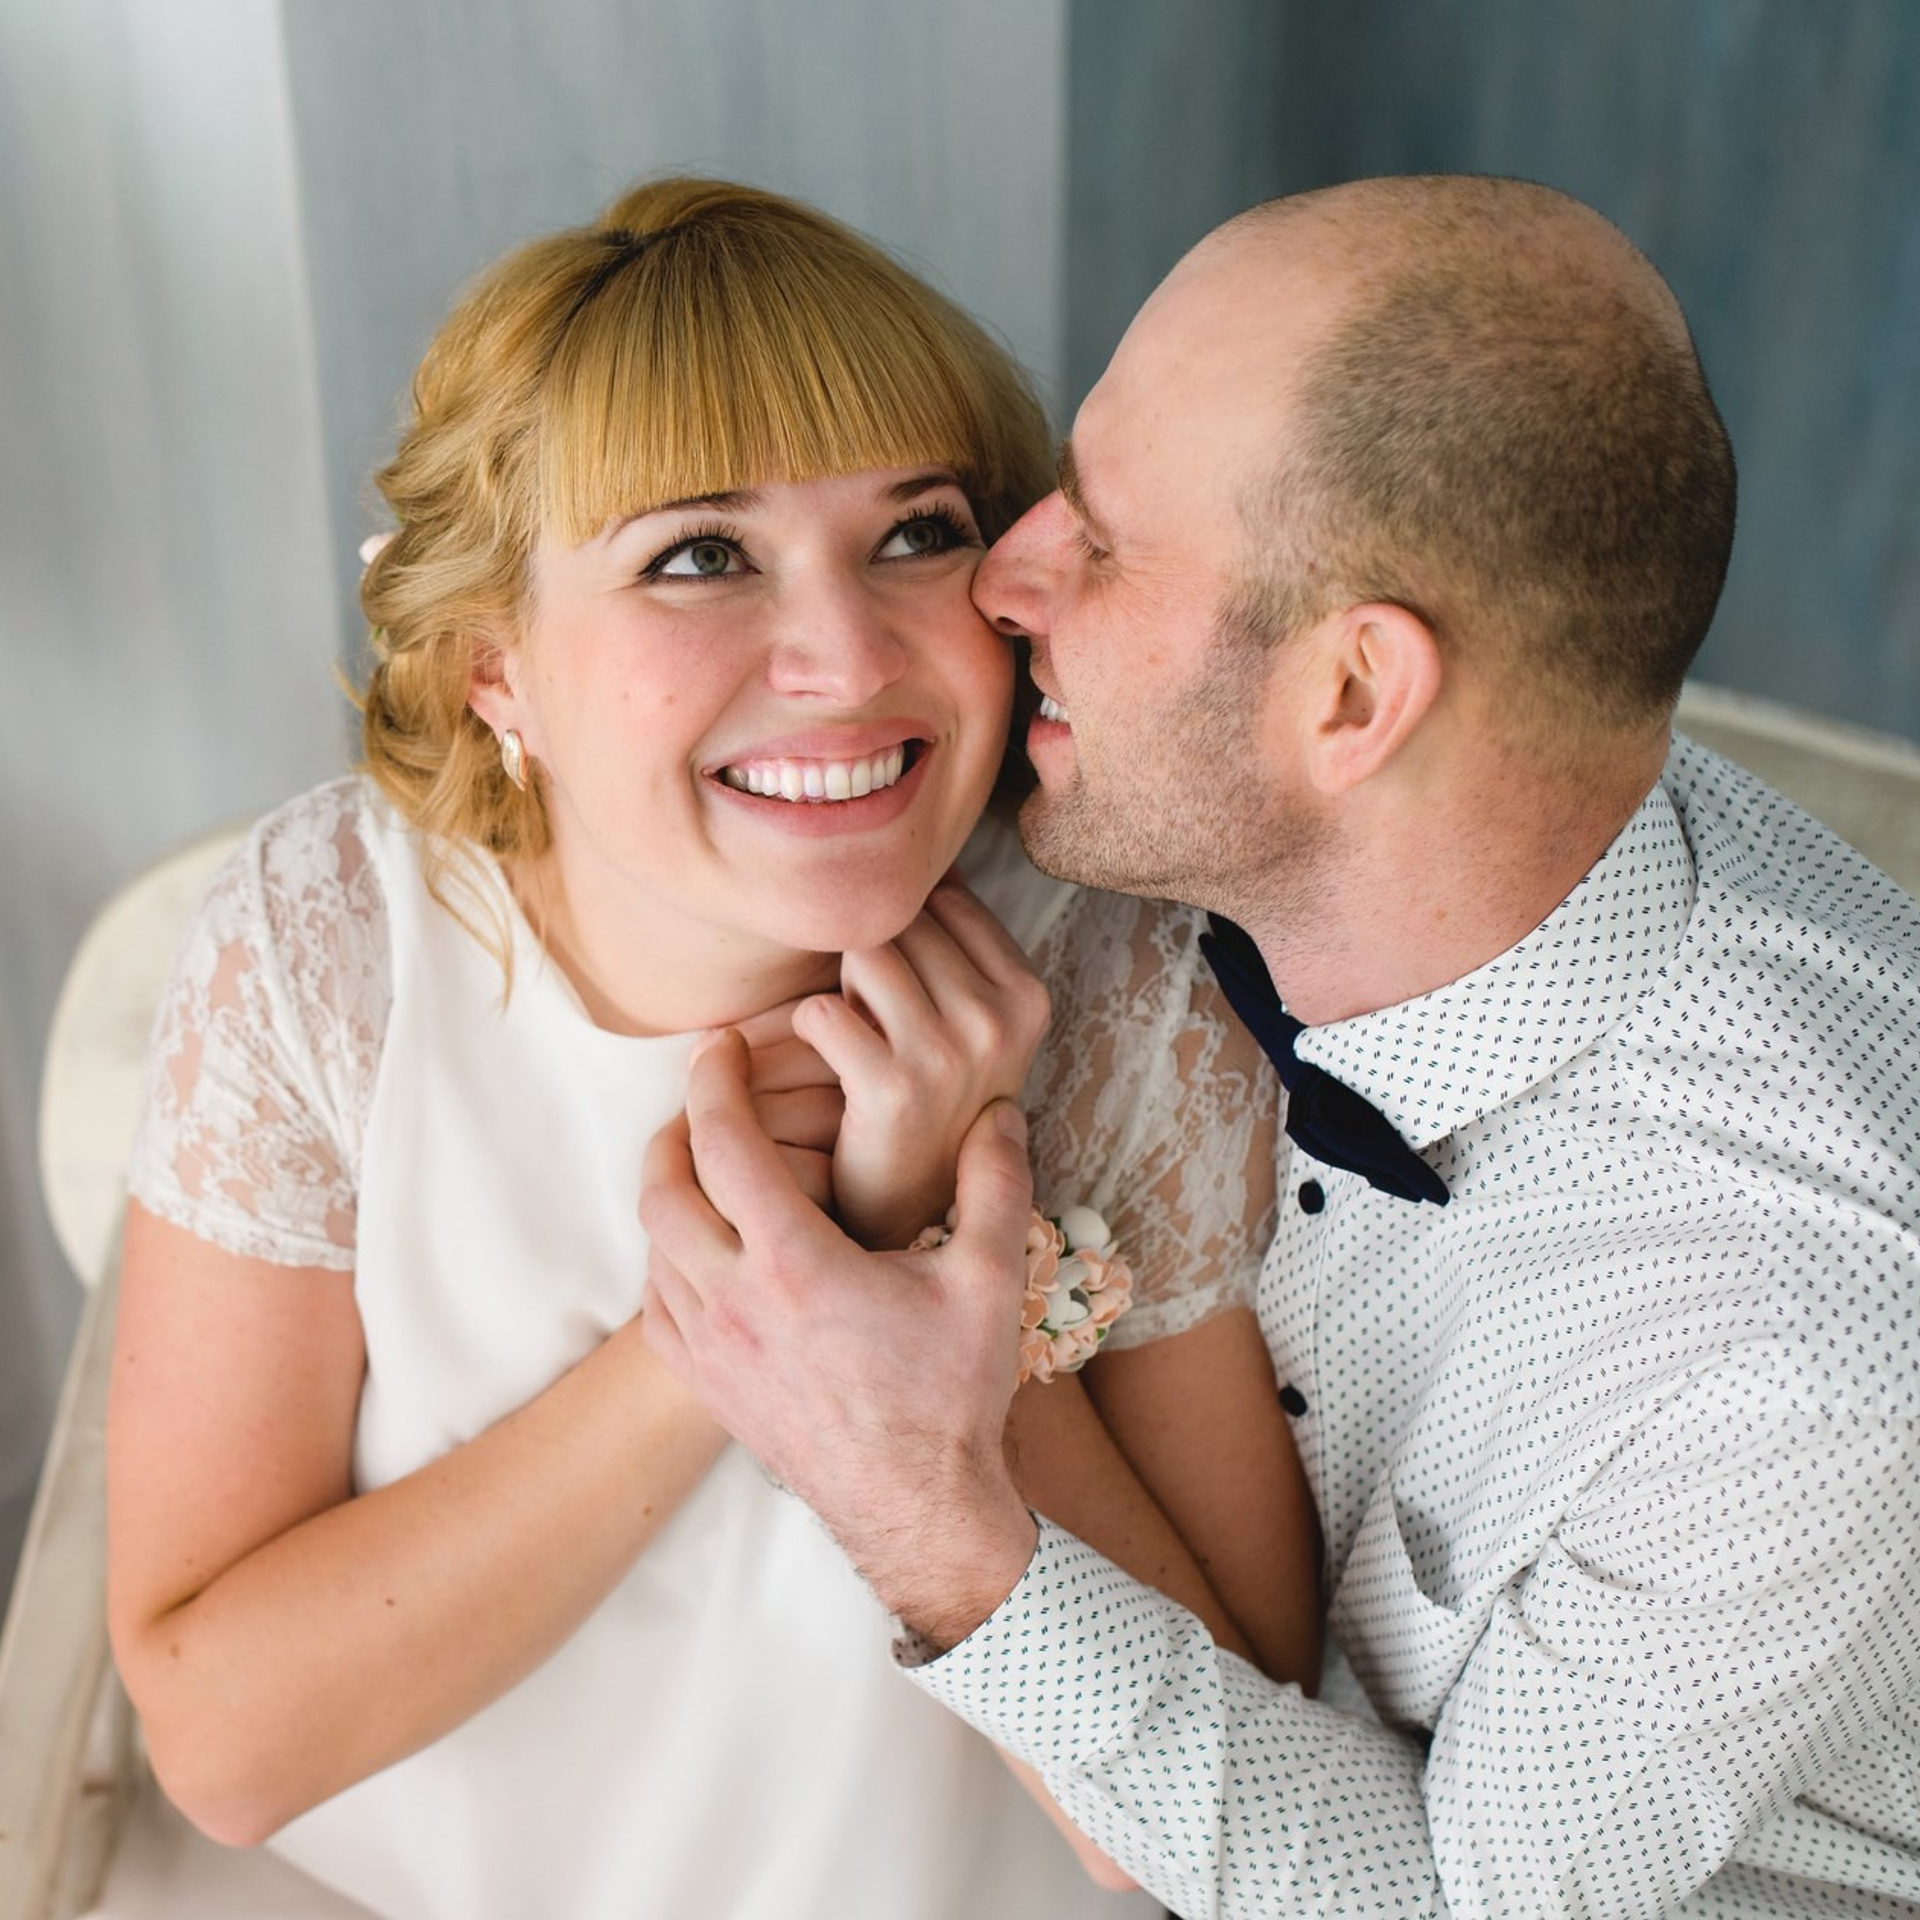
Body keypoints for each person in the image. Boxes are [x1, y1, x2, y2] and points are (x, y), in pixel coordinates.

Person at [641, 174, 1920, 1917]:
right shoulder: (1249, 845)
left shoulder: (1797, 1355)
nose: (1006, 579)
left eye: (1100, 537)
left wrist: (927, 1518)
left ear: (1349, 697)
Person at [106, 177, 1322, 1920]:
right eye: (699, 555)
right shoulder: (331, 943)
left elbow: (1242, 1785)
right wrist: (771, 1294)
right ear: (488, 670)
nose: (845, 658)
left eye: (917, 532)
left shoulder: (1123, 971)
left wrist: (950, 1268)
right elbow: (223, 1746)